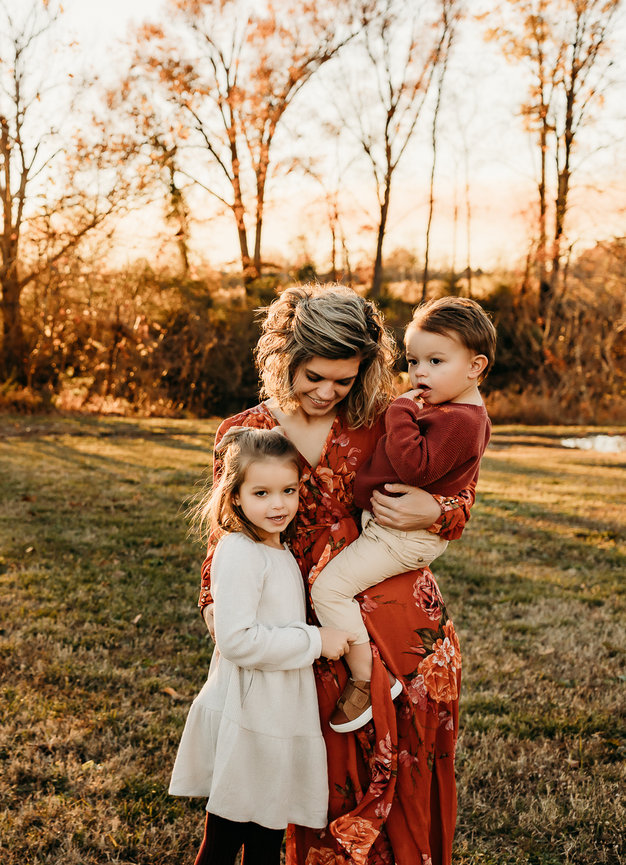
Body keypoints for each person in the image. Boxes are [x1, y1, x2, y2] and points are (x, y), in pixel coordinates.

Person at [199, 284, 474, 865]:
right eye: (313, 376)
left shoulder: (386, 421)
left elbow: (459, 485)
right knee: (313, 775)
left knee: (407, 770)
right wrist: (217, 610)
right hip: (304, 627)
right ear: (282, 359)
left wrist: (441, 511)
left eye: (343, 380)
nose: (327, 393)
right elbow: (224, 536)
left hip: (403, 627)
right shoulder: (243, 433)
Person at [170, 426, 355, 865]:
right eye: (262, 493)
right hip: (252, 715)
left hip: (278, 712)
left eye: (288, 490)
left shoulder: (277, 547)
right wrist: (316, 640)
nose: (278, 504)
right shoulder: (239, 551)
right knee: (224, 839)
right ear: (234, 496)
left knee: (267, 840)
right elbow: (237, 641)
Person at [313, 296, 495, 733]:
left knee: (329, 590)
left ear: (475, 366)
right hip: (392, 532)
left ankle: (367, 679)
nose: (419, 374)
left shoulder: (462, 420)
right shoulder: (448, 411)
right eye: (414, 361)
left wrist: (401, 411)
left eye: (435, 360)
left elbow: (417, 467)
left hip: (400, 536)